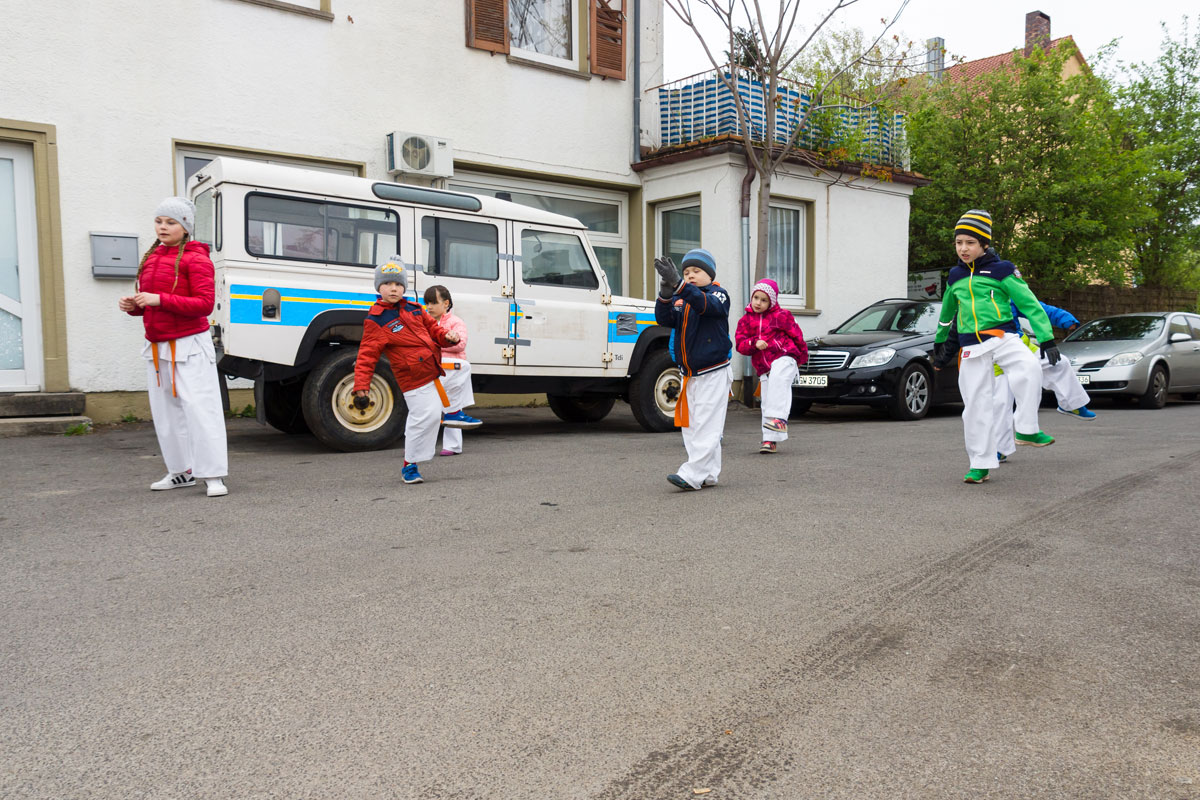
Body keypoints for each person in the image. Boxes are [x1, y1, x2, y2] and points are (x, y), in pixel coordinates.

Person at [932, 209, 1057, 484]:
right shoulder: (954, 276)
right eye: (959, 242)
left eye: (970, 243)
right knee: (974, 408)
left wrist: (1046, 338)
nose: (963, 248)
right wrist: (940, 342)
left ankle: (1026, 429)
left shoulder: (1003, 270)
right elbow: (946, 314)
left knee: (1029, 368)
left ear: (984, 244)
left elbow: (1029, 304)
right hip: (971, 346)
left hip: (1003, 337)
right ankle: (980, 464)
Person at [119, 197, 230, 497]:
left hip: (190, 344)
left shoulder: (197, 259)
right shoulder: (152, 257)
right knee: (166, 413)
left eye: (171, 222)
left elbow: (204, 305)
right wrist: (134, 307)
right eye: (159, 221)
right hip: (158, 347)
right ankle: (181, 472)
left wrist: (158, 299)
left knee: (200, 410)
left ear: (186, 227)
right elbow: (153, 305)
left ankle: (213, 475)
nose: (163, 227)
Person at [353, 259, 460, 484]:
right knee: (421, 418)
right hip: (411, 377)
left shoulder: (415, 309)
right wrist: (361, 384)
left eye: (398, 284)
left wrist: (448, 337)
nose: (394, 289)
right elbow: (367, 355)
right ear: (378, 287)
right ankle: (409, 465)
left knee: (432, 416)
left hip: (431, 370)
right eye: (388, 284)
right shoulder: (376, 320)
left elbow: (435, 331)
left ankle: (417, 457)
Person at [653, 248, 732, 490]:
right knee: (691, 426)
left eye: (696, 271)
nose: (690, 275)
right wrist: (665, 294)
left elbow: (706, 306)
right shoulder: (682, 297)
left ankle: (692, 474)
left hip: (714, 372)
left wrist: (679, 285)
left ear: (710, 274)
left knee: (707, 425)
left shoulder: (718, 295)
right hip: (689, 374)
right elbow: (664, 320)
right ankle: (709, 474)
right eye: (686, 272)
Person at [734, 278, 808, 453]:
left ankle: (780, 419)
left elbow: (798, 336)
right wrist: (754, 342)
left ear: (772, 302)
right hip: (764, 367)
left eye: (764, 300)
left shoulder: (781, 316)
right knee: (767, 401)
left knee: (778, 377)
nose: (758, 303)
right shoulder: (745, 321)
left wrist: (801, 358)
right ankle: (769, 440)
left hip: (785, 356)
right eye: (756, 298)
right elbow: (740, 345)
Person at [1009, 300, 1096, 420]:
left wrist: (1064, 318)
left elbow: (1035, 307)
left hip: (1020, 344)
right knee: (1002, 397)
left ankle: (1071, 404)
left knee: (1058, 363)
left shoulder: (1009, 292)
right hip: (992, 350)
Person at [422, 284, 482, 456]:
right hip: (433, 369)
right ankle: (418, 445)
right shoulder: (425, 322)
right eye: (427, 303)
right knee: (428, 408)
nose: (429, 307)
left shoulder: (456, 322)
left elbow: (460, 344)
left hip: (451, 370)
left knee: (451, 406)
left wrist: (434, 345)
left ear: (446, 303)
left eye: (433, 302)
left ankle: (453, 446)